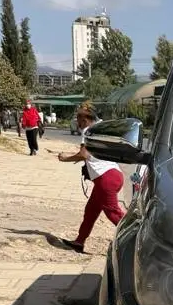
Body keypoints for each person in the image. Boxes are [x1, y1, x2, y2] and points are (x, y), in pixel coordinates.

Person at [52, 105, 125, 253]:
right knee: (91, 211)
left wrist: (65, 158)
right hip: (113, 175)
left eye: (78, 119)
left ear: (85, 120)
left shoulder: (88, 131)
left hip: (105, 179)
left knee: (113, 213)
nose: (77, 123)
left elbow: (84, 155)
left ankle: (139, 237)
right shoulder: (100, 128)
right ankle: (79, 242)